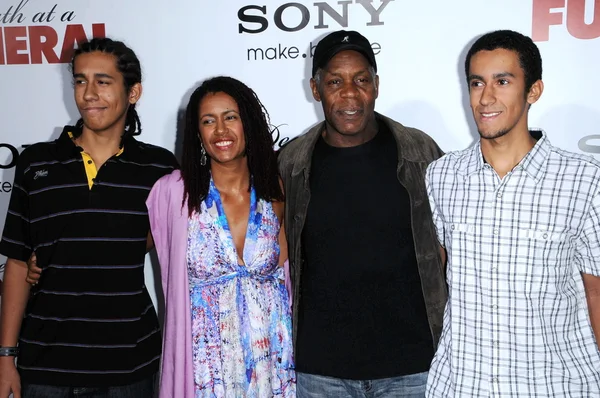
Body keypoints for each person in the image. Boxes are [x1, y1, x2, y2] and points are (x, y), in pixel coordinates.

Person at [425, 29, 600, 397]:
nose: (486, 97)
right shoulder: (441, 175)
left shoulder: (584, 180)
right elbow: (437, 275)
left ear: (533, 90)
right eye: (476, 83)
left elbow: (597, 293)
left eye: (502, 81)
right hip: (461, 386)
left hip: (552, 386)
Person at [0, 37, 178, 398]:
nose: (89, 93)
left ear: (133, 92)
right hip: (44, 366)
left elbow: (168, 248)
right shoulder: (36, 163)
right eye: (80, 81)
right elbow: (18, 263)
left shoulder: (160, 167)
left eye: (103, 81)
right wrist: (5, 357)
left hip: (131, 365)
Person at [277, 30, 447, 397]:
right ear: (315, 88)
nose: (349, 94)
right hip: (320, 372)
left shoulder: (421, 152)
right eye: (335, 81)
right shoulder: (291, 163)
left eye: (361, 80)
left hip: (413, 368)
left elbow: (448, 250)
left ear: (377, 85)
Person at [146, 76, 295, 397]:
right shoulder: (174, 194)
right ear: (198, 133)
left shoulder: (275, 191)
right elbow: (124, 250)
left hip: (272, 362)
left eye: (230, 117)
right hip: (206, 367)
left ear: (248, 125)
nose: (221, 130)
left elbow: (286, 278)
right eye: (208, 121)